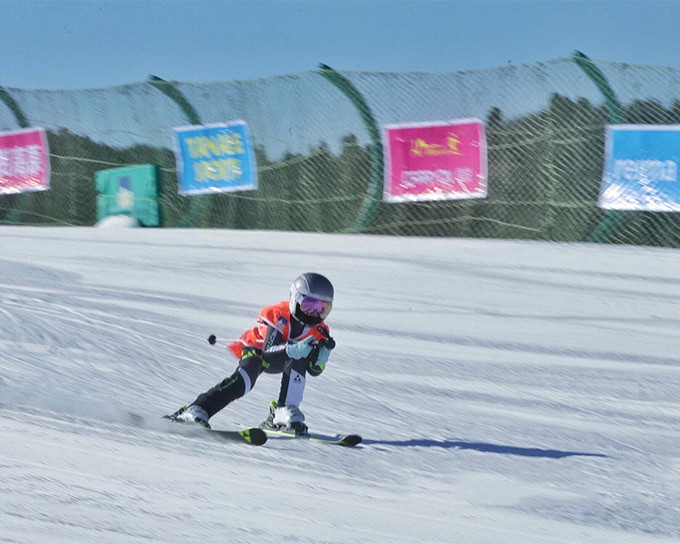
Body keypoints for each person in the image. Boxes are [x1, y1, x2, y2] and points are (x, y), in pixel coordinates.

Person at [167, 272, 335, 435]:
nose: (315, 313)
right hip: (257, 351)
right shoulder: (281, 316)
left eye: (322, 308)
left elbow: (314, 371)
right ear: (295, 300)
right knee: (244, 381)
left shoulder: (319, 330)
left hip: (284, 358)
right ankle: (197, 409)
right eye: (309, 305)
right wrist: (293, 349)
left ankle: (284, 412)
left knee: (298, 359)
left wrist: (320, 359)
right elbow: (268, 353)